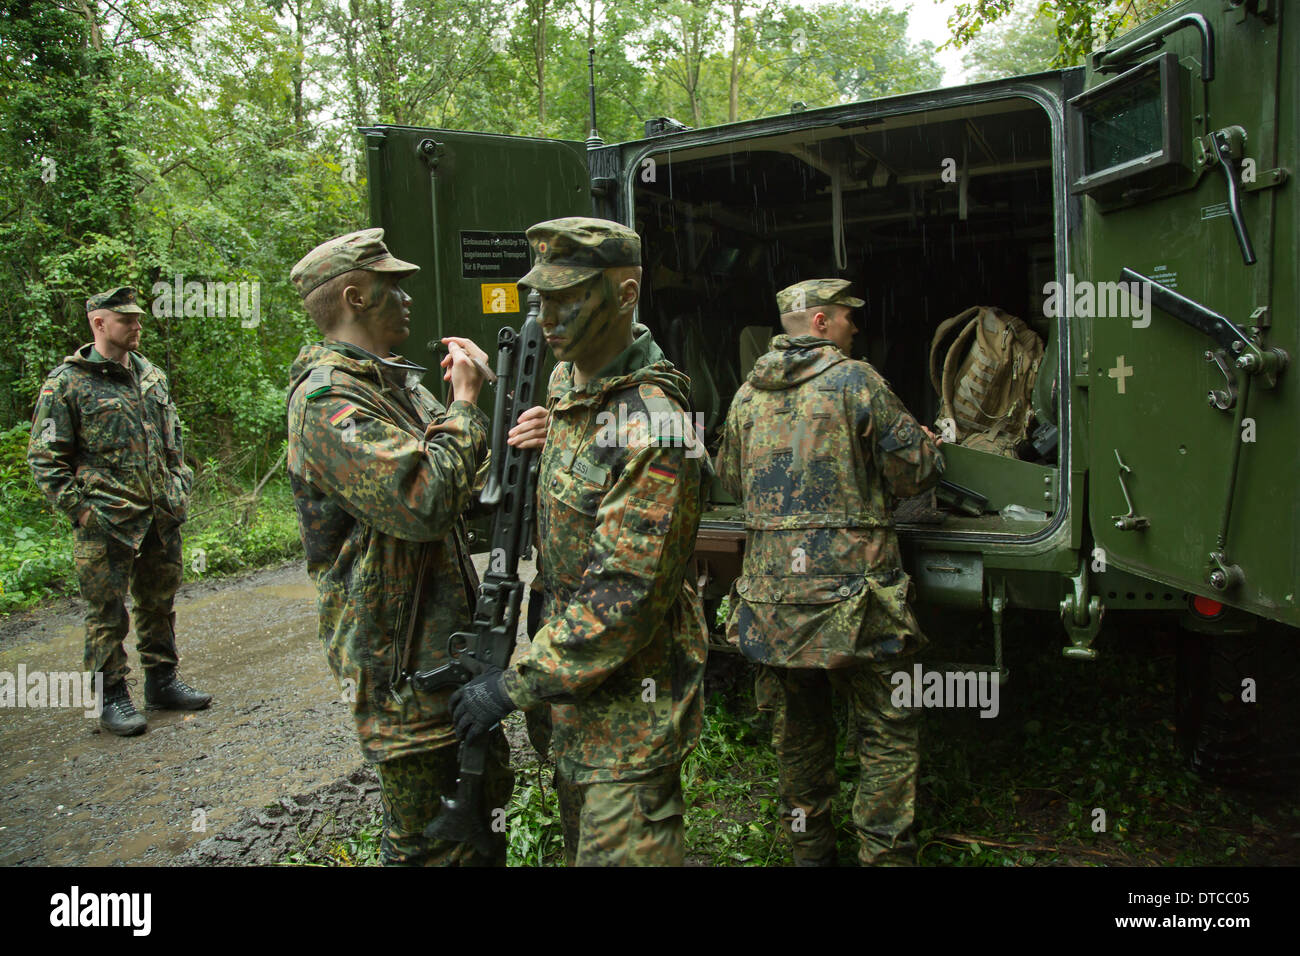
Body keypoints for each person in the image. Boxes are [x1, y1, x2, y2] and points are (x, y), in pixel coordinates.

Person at [448, 217, 708, 867]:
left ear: (625, 295)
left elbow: (627, 596)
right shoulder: (570, 383)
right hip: (572, 705)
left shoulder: (657, 426)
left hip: (631, 719)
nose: (548, 316)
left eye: (568, 298)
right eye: (541, 298)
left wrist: (512, 685)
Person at [286, 228, 547, 866]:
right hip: (400, 665)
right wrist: (464, 400)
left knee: (481, 811)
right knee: (431, 841)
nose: (407, 298)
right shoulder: (327, 400)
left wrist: (510, 413)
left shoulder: (392, 385)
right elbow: (426, 497)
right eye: (392, 287)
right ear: (354, 295)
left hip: (447, 644)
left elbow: (467, 468)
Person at [715, 278, 945, 866]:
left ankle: (810, 854)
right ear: (820, 323)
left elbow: (731, 481)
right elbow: (914, 474)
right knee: (887, 733)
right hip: (857, 603)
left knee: (798, 735)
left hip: (773, 604)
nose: (854, 328)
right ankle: (885, 857)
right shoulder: (856, 382)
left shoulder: (746, 395)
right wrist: (926, 444)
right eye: (847, 318)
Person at [27, 286, 211, 737]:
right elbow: (44, 457)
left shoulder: (152, 377)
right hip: (106, 520)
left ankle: (162, 681)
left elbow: (174, 440)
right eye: (126, 319)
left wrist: (179, 482)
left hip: (159, 516)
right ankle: (111, 696)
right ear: (98, 323)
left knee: (158, 603)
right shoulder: (67, 383)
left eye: (138, 318)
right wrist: (82, 512)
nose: (136, 326)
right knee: (107, 612)